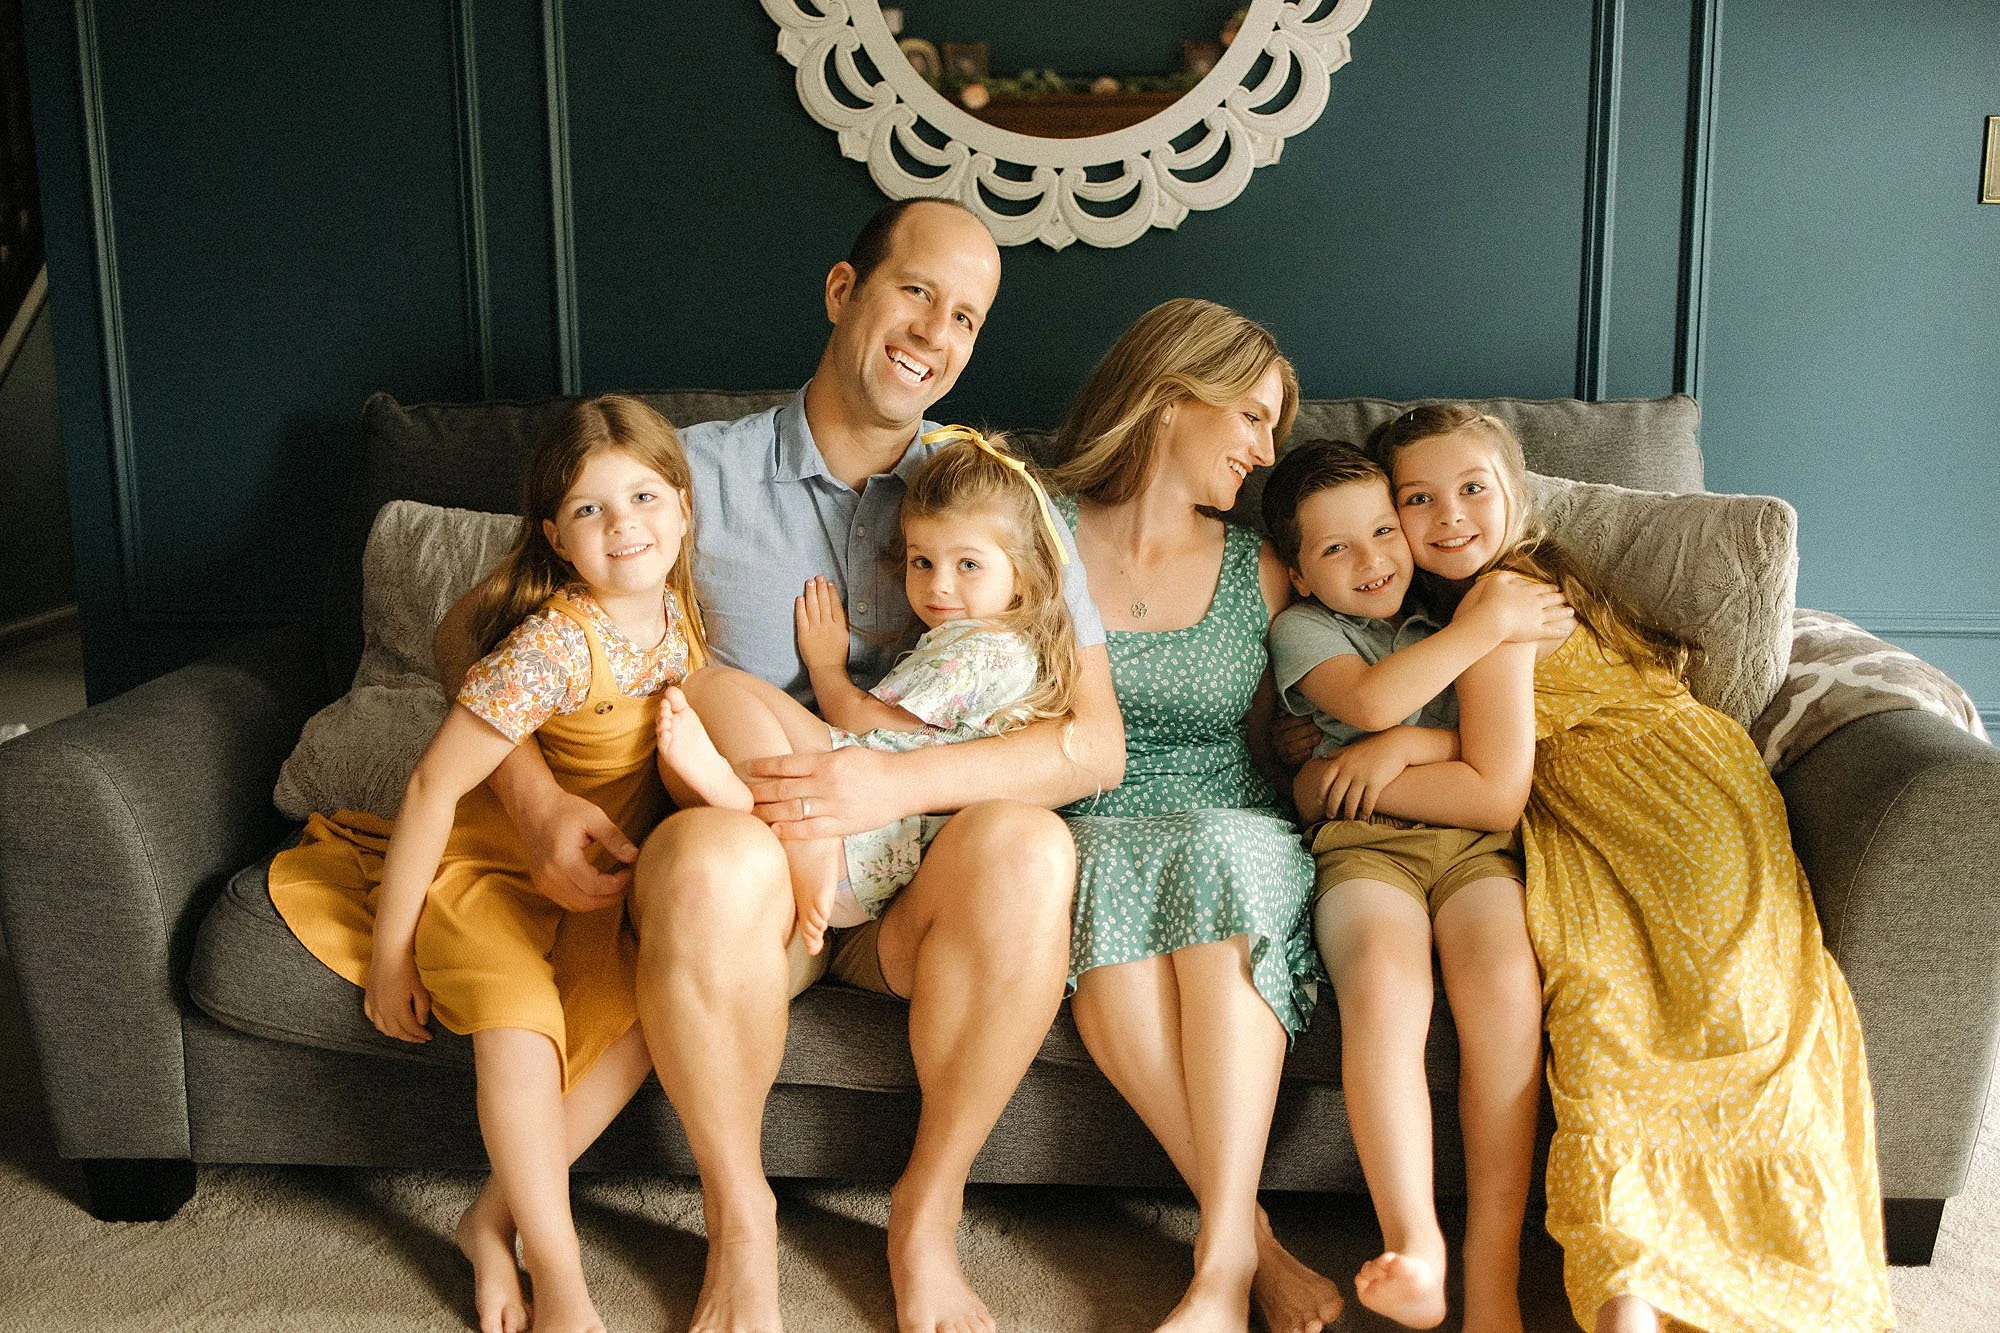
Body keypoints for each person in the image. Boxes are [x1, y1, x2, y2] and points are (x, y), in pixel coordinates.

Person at [434, 197, 1127, 1333]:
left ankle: (925, 1216)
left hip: (919, 870)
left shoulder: (998, 498)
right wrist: (532, 791)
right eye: (916, 292)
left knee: (1030, 846)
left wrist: (884, 782)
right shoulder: (688, 475)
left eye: (966, 317)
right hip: (752, 875)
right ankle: (740, 1224)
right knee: (711, 855)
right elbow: (469, 631)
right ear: (843, 293)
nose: (935, 333)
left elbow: (1090, 746)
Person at [1371, 403, 1896, 1333]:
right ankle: (1640, 1285)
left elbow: (1493, 790)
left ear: (1515, 493)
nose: (1448, 514)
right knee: (1611, 1026)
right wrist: (1415, 739)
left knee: (1712, 1022)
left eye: (1471, 488)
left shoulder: (1500, 598)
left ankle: (1665, 1283)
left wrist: (1365, 777)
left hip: (1670, 812)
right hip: (1617, 815)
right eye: (1419, 498)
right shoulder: (1489, 603)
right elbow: (1506, 732)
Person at [270, 395, 708, 1333]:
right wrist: (392, 954)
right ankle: (564, 1280)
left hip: (593, 892)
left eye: (641, 497)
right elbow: (432, 786)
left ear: (680, 503)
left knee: (644, 1022)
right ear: (555, 535)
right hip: (485, 874)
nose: (623, 525)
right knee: (518, 1028)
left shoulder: (676, 617)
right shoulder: (551, 644)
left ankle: (490, 1217)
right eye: (590, 510)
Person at [1042, 297, 1347, 1333]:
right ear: (1174, 398)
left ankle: (1216, 1266)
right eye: (1253, 418)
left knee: (1214, 852)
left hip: (1230, 820)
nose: (1266, 452)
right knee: (1110, 891)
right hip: (1094, 820)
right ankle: (1247, 1248)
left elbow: (1280, 734)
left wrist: (1323, 748)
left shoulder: (1257, 564)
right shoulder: (1035, 535)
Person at [1261, 438, 1562, 1333]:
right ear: (1301, 574)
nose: (1372, 560)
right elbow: (1369, 703)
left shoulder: (1446, 606)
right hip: (1364, 850)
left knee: (1508, 989)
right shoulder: (1305, 631)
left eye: (1385, 530)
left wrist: (1404, 747)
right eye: (1335, 548)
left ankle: (1492, 1275)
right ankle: (1417, 1243)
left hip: (1473, 849)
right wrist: (1484, 628)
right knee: (1387, 988)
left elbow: (1476, 749)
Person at [656, 426, 1081, 956]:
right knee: (717, 701)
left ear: (1023, 575)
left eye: (967, 564)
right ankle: (739, 799)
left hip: (857, 836)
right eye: (922, 562)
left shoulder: (976, 649)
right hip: (882, 852)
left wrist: (826, 667)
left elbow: (866, 724)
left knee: (712, 685)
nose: (939, 585)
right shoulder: (1013, 650)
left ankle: (791, 828)